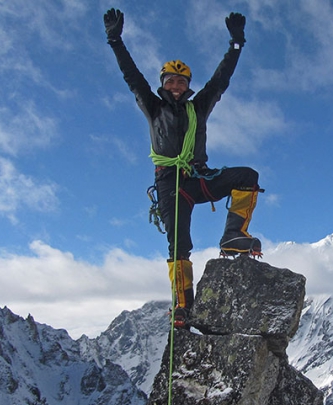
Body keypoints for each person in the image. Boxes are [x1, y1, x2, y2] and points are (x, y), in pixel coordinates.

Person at [103, 8, 262, 328]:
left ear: (188, 85)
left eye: (181, 81)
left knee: (246, 177)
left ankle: (233, 235)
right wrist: (115, 40)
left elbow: (221, 80)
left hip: (197, 177)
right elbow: (132, 77)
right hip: (169, 183)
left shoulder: (198, 107)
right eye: (171, 80)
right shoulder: (153, 106)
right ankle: (182, 305)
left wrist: (236, 44)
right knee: (179, 244)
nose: (176, 85)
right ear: (163, 84)